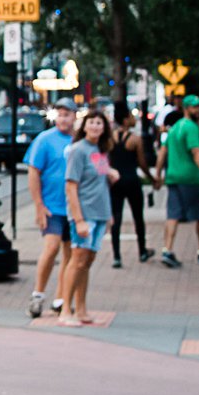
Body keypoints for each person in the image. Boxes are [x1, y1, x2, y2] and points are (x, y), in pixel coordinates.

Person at [57, 108, 117, 326]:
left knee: (87, 261)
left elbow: (103, 180)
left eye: (99, 123)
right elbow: (71, 187)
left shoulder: (98, 151)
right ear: (84, 126)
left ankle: (81, 308)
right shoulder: (78, 150)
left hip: (99, 213)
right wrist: (78, 218)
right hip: (84, 214)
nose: (95, 126)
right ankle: (65, 309)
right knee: (77, 260)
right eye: (91, 122)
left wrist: (108, 214)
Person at [24, 99, 77, 317]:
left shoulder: (79, 141)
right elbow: (33, 172)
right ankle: (38, 294)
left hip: (74, 209)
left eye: (68, 114)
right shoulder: (44, 140)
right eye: (60, 114)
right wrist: (39, 206)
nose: (64, 119)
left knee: (70, 254)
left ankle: (61, 298)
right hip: (52, 207)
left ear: (74, 116)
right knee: (51, 247)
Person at [159, 95, 199, 268]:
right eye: (195, 107)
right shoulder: (191, 127)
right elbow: (196, 152)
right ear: (187, 108)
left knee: (173, 215)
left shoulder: (174, 128)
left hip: (173, 176)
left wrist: (159, 174)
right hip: (191, 178)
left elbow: (162, 152)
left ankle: (167, 249)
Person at [108, 102, 149, 268]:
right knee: (138, 217)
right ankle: (142, 251)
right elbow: (142, 163)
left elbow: (105, 159)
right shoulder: (135, 139)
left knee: (116, 219)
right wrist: (152, 178)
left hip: (115, 182)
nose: (134, 119)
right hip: (132, 180)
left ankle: (117, 256)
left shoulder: (110, 138)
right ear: (125, 120)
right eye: (131, 116)